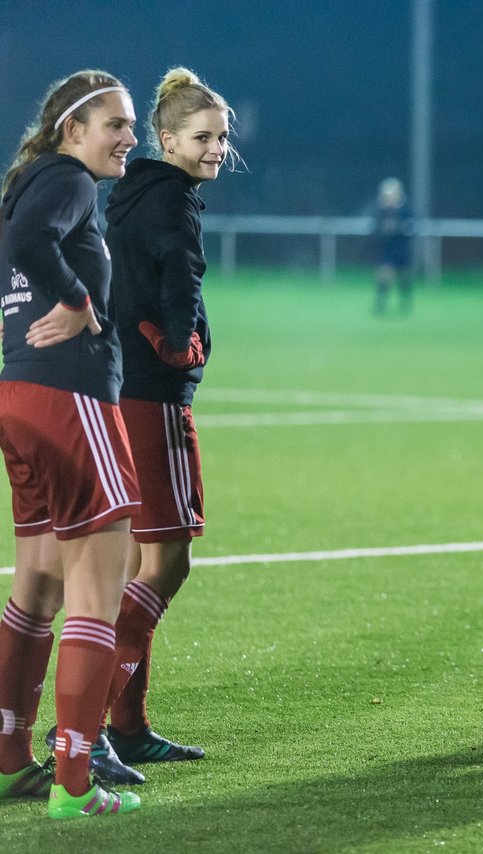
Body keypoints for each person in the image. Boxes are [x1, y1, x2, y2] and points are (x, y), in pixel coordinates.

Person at [0, 70, 143, 818]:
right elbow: (33, 244)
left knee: (39, 584)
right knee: (100, 587)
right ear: (72, 130)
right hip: (72, 399)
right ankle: (75, 784)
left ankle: (6, 760)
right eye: (115, 123)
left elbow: (16, 245)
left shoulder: (24, 183)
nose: (130, 136)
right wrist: (80, 298)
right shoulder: (69, 181)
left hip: (20, 395)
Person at [100, 67, 235, 767]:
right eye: (203, 137)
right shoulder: (174, 201)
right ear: (166, 138)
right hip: (156, 399)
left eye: (220, 137)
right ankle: (90, 722)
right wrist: (180, 342)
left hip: (127, 388)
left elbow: (131, 283)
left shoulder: (129, 196)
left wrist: (154, 330)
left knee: (130, 567)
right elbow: (180, 275)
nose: (216, 148)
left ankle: (123, 727)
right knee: (170, 562)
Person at [372, 177, 413, 315]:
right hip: (387, 248)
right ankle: (381, 303)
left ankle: (405, 302)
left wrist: (401, 228)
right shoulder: (380, 210)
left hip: (401, 247)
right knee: (383, 274)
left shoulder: (405, 209)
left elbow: (412, 226)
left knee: (403, 276)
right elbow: (375, 228)